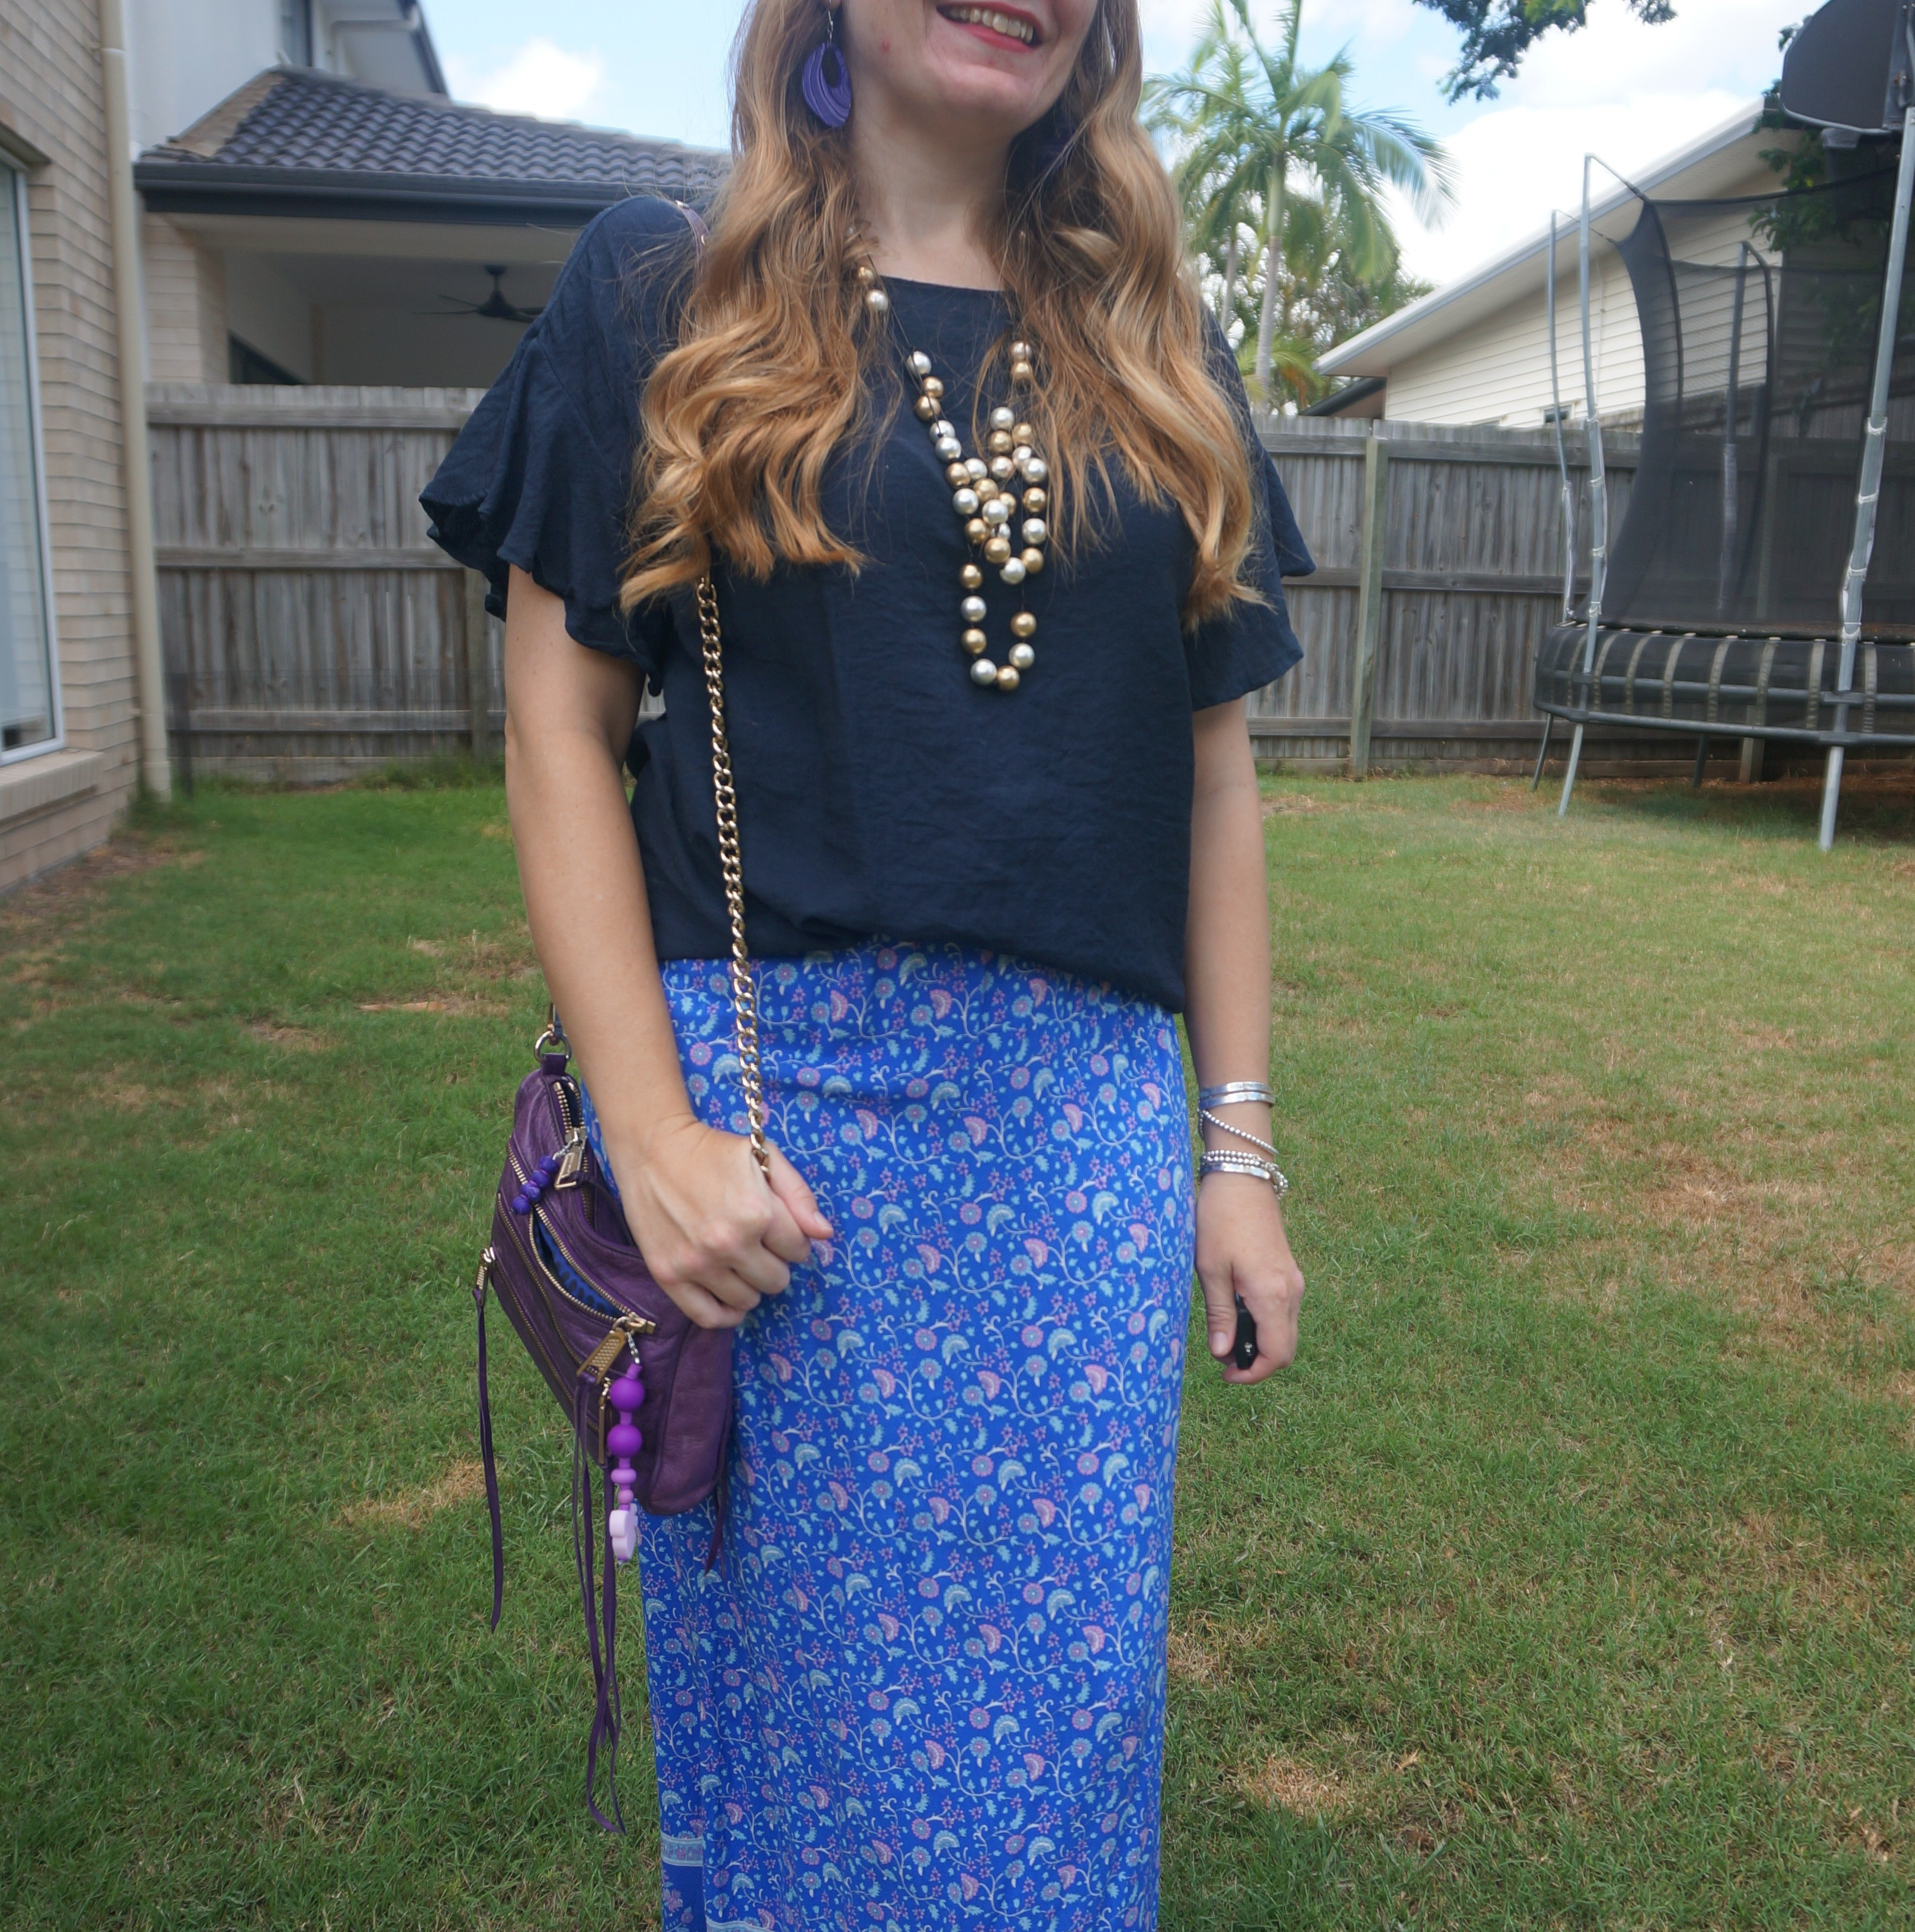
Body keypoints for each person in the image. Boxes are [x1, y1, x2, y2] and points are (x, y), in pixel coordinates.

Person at [424, 1, 1311, 1923]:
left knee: (1060, 1745)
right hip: (782, 1149)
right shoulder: (663, 292)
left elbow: (1213, 777)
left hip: (1080, 1151)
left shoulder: (1152, 342)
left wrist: (1232, 1153)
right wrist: (649, 1140)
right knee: (811, 1750)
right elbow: (558, 728)